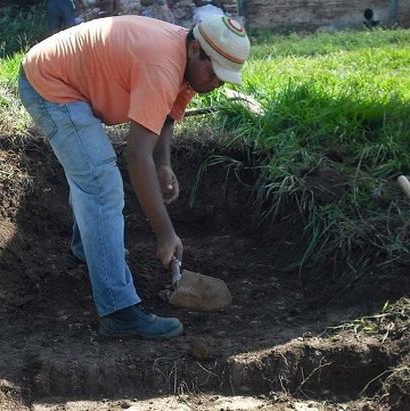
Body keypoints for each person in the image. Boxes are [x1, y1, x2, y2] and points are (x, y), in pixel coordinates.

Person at [18, 14, 250, 339]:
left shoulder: (189, 63)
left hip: (69, 77)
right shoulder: (163, 65)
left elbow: (166, 116)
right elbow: (137, 153)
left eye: (223, 79)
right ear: (196, 48)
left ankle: (86, 250)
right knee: (100, 183)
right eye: (213, 72)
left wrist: (164, 164)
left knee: (91, 172)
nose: (215, 83)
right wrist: (165, 234)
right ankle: (118, 312)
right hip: (51, 83)